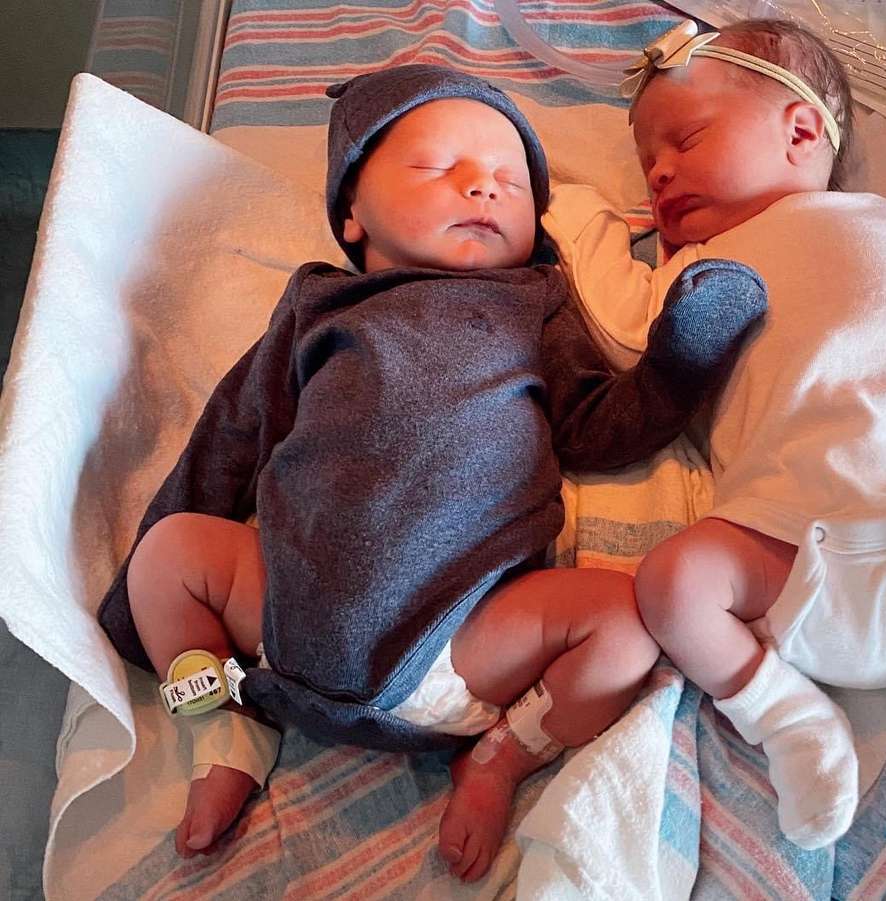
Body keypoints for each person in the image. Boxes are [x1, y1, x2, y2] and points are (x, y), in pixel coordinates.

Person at [96, 64, 766, 882]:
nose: (482, 186)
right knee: (168, 557)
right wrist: (141, 591)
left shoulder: (535, 305)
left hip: (465, 636)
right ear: (350, 211)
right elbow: (235, 429)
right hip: (280, 615)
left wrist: (684, 356)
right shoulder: (318, 307)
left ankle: (502, 757)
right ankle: (220, 729)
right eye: (435, 167)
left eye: (509, 180)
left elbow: (599, 426)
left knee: (622, 624)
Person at [543, 19, 886, 849]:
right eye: (648, 165)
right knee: (672, 584)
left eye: (683, 139)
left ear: (800, 130)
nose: (660, 173)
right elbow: (622, 323)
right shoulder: (693, 271)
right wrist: (577, 215)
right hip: (773, 533)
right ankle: (784, 716)